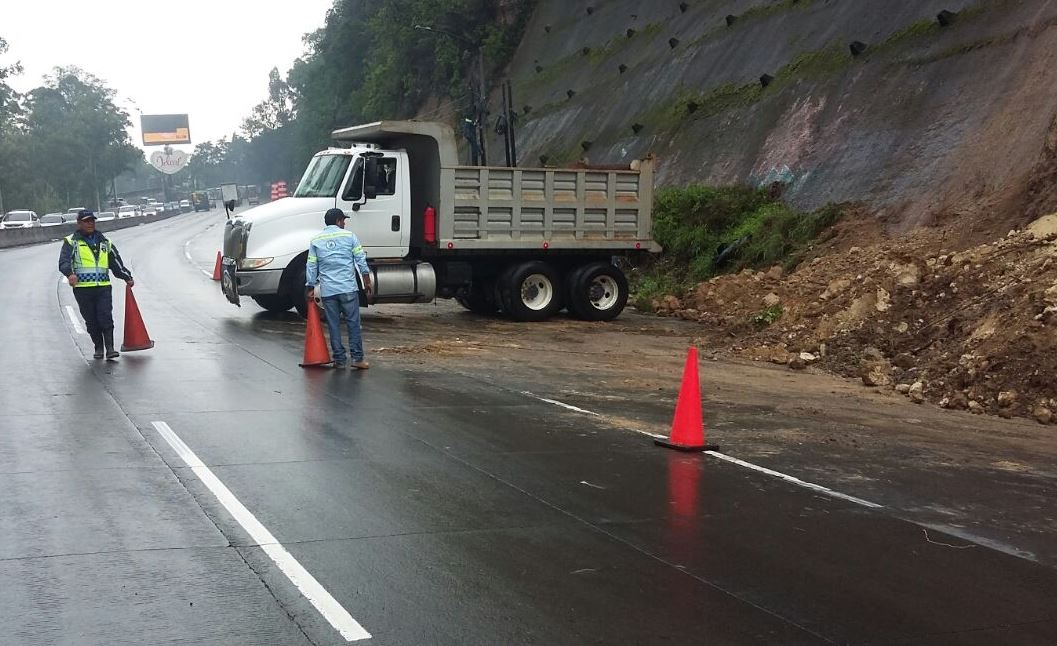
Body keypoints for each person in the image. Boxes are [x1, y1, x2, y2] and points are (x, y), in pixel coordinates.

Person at [58, 210, 134, 359]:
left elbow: (116, 263)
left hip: (103, 287)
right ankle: (98, 347)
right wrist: (70, 274)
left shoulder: (105, 242)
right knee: (91, 320)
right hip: (83, 289)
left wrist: (127, 276)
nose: (90, 223)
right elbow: (64, 262)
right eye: (86, 221)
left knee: (105, 316)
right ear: (79, 223)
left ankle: (110, 348)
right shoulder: (71, 242)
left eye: (92, 221)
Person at [305, 208, 373, 369]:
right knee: (353, 323)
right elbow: (361, 260)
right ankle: (357, 359)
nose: (344, 223)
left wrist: (310, 286)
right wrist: (367, 280)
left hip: (328, 291)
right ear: (337, 221)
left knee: (334, 325)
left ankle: (339, 360)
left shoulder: (316, 240)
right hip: (348, 288)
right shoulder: (349, 236)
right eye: (343, 220)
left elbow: (311, 265)